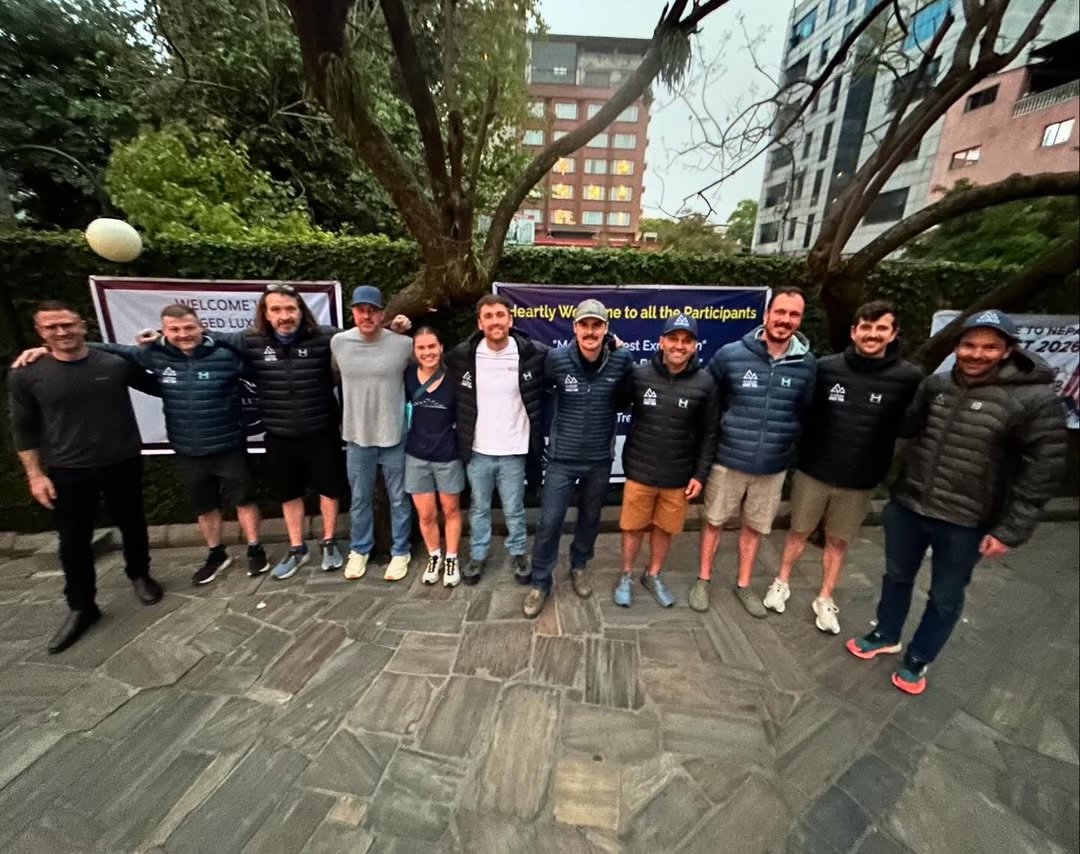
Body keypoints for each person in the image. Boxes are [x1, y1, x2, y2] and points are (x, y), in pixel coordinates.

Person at [847, 310, 1066, 695]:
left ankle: (918, 658)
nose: (976, 354)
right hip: (910, 504)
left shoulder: (1035, 399)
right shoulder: (937, 385)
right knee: (895, 576)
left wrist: (1011, 530)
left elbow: (1043, 469)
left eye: (989, 347)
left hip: (967, 520)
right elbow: (907, 427)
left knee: (945, 596)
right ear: (956, 347)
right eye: (968, 345)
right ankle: (886, 633)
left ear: (1008, 350)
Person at [18, 304, 269, 585]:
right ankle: (216, 553)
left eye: (189, 327)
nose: (183, 334)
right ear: (164, 331)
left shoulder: (226, 356)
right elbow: (112, 349)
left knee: (244, 500)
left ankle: (254, 547)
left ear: (201, 327)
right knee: (203, 506)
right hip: (186, 450)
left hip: (230, 445)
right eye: (174, 329)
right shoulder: (154, 355)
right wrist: (47, 349)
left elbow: (263, 364)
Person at [8, 301, 164, 654]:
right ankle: (82, 605)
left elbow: (161, 384)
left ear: (81, 325)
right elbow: (23, 428)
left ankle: (140, 574)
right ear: (40, 332)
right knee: (72, 541)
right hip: (67, 469)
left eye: (67, 324)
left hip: (121, 459)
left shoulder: (114, 364)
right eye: (52, 327)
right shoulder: (26, 373)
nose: (61, 332)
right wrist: (35, 475)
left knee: (133, 522)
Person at [769, 301, 923, 633]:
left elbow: (909, 426)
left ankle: (825, 597)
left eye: (881, 328)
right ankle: (781, 581)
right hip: (815, 470)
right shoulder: (826, 368)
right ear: (854, 332)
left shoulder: (908, 378)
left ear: (893, 333)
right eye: (866, 327)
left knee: (838, 541)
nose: (872, 334)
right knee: (798, 531)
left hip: (860, 478)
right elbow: (805, 410)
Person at [695, 287, 816, 616]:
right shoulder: (731, 354)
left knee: (754, 529)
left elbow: (805, 412)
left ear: (800, 320)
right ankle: (703, 580)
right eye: (780, 312)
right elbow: (707, 397)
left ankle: (744, 584)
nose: (785, 320)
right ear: (767, 314)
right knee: (714, 522)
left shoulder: (807, 365)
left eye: (793, 314)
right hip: (728, 459)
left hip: (772, 466)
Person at [522, 299, 634, 618]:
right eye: (584, 325)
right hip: (562, 458)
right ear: (574, 328)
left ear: (606, 328)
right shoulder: (557, 359)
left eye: (596, 325)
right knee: (550, 521)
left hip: (599, 458)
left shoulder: (622, 359)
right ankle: (540, 581)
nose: (590, 332)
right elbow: (537, 390)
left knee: (590, 518)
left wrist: (623, 352)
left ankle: (579, 565)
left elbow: (625, 399)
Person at [615, 313, 718, 608]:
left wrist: (700, 474)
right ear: (661, 341)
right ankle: (626, 575)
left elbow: (710, 433)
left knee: (664, 529)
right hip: (640, 469)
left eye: (686, 340)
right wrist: (620, 362)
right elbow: (618, 402)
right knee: (632, 527)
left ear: (694, 346)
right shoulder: (639, 374)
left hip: (678, 475)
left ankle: (653, 574)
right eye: (673, 338)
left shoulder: (706, 383)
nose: (679, 346)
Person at [447, 294, 548, 586]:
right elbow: (426, 360)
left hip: (514, 448)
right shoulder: (462, 355)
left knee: (514, 509)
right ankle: (478, 555)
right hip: (477, 449)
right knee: (479, 507)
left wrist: (611, 347)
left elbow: (570, 360)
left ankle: (518, 552)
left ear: (510, 319)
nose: (495, 322)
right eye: (488, 316)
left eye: (500, 315)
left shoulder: (532, 353)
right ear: (480, 323)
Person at [332, 285, 414, 581]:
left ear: (382, 314)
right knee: (360, 499)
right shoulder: (339, 343)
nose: (366, 316)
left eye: (373, 311)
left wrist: (400, 328)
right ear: (353, 313)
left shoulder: (403, 345)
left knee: (399, 499)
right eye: (361, 310)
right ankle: (360, 549)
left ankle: (401, 551)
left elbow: (427, 369)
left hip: (394, 435)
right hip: (357, 437)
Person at [404, 327, 464, 588]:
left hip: (447, 456)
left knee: (450, 510)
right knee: (426, 514)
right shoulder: (407, 376)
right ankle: (434, 555)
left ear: (441, 348)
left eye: (432, 346)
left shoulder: (455, 378)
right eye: (421, 347)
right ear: (414, 351)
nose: (427, 352)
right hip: (416, 455)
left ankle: (451, 558)